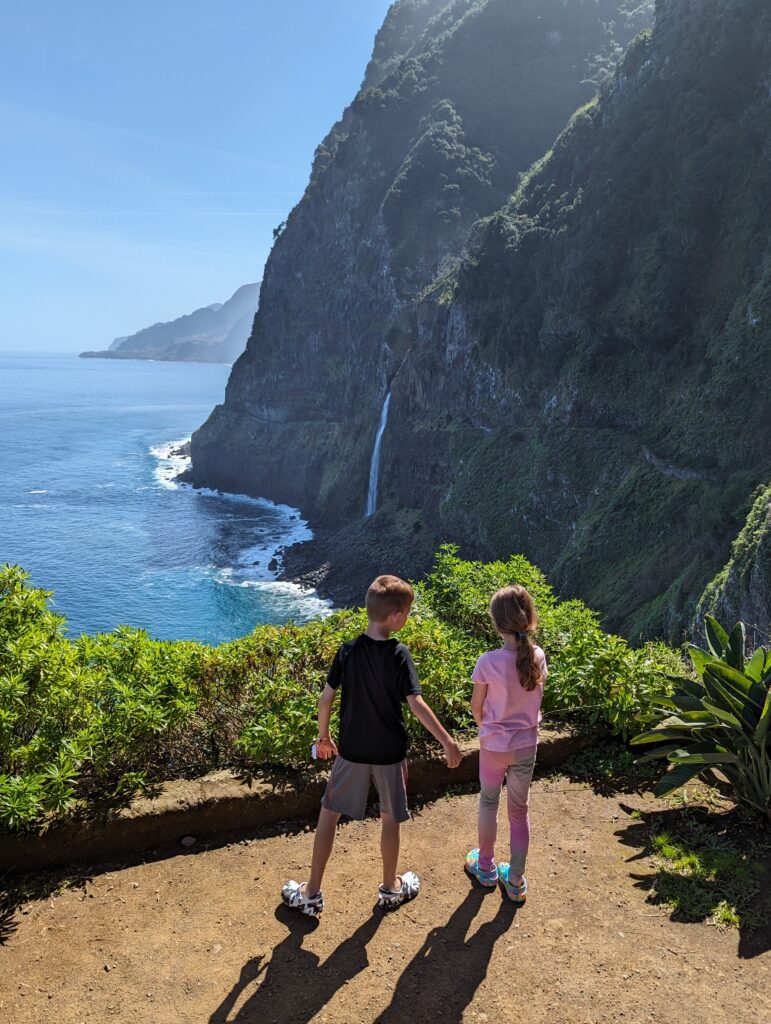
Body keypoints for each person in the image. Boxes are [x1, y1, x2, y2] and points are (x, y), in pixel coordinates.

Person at [282, 574, 463, 917]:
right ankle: (391, 889)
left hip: (351, 751)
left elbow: (325, 698)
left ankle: (311, 892)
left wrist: (324, 738)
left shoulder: (347, 652)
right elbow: (416, 704)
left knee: (328, 817)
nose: (407, 617)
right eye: (407, 611)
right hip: (389, 754)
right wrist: (448, 741)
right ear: (395, 616)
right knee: (389, 820)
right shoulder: (399, 653)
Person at [464, 585, 547, 903]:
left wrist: (487, 728)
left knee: (488, 802)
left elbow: (476, 706)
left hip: (494, 747)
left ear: (497, 625)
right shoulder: (537, 656)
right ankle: (516, 881)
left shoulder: (487, 661)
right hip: (526, 746)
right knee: (519, 810)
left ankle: (484, 868)